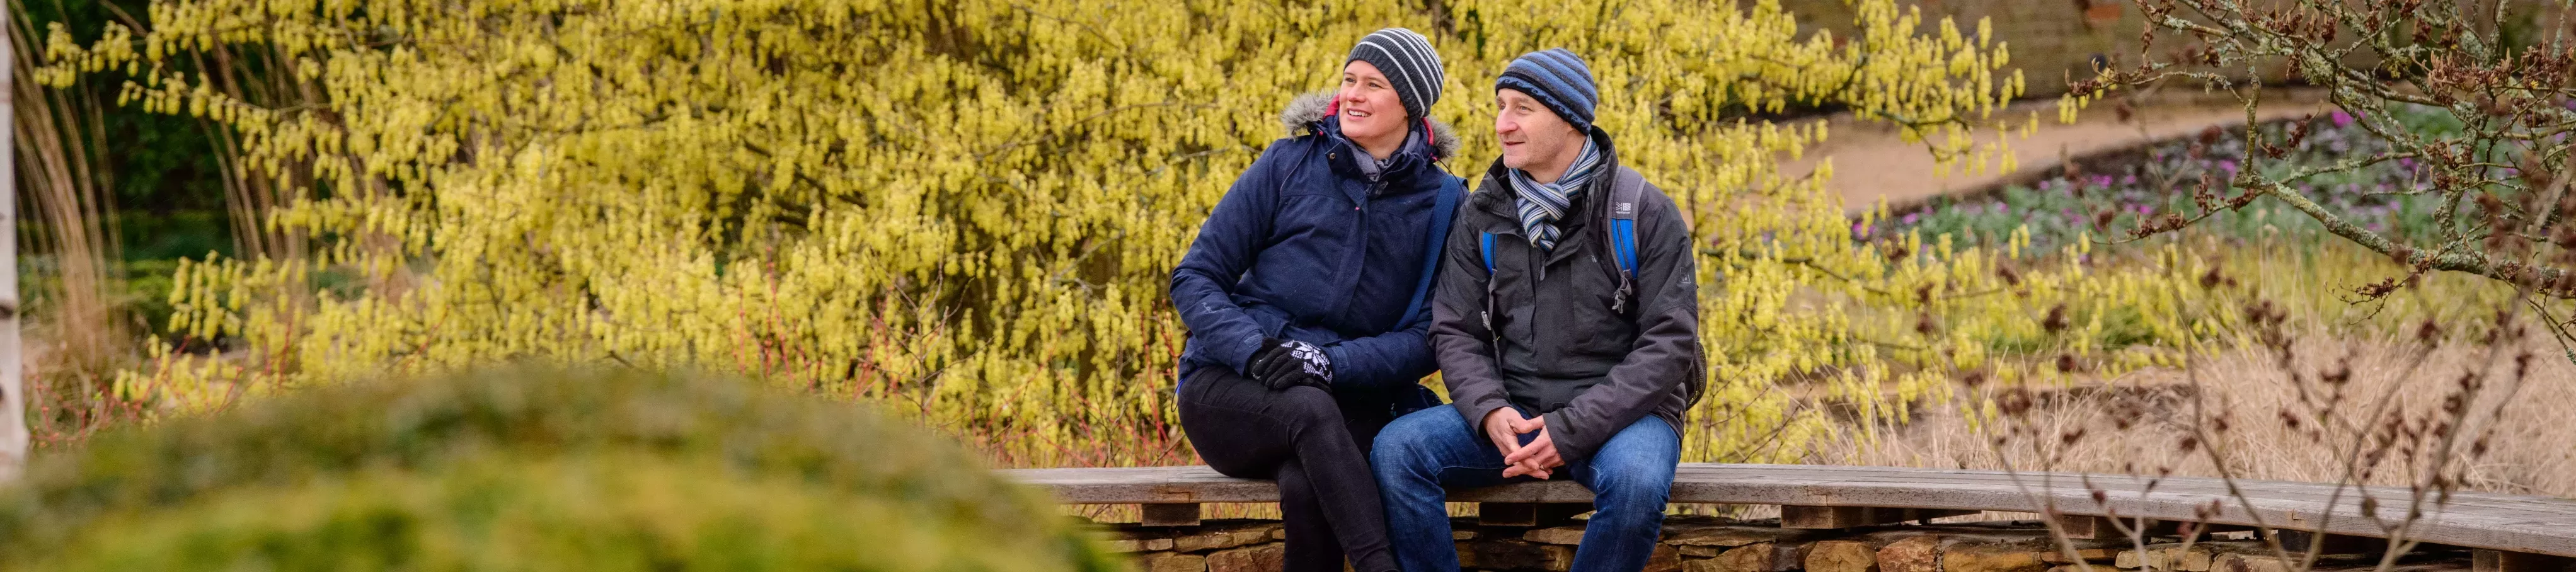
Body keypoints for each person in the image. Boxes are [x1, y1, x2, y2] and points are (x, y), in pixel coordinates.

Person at [1371, 48, 1706, 572]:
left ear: (1570, 119)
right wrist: (1488, 411)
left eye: (1522, 108)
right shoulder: (1483, 212)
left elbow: (1669, 345)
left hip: (1628, 418)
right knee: (1397, 452)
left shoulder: (1641, 211)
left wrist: (1569, 431)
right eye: (1500, 106)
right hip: (1518, 410)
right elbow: (1455, 328)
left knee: (1636, 486)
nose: (1503, 124)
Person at [1168, 27, 1464, 572]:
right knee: (1307, 409)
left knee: (1309, 486)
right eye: (1349, 79)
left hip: (1348, 401)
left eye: (1373, 84)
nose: (1352, 93)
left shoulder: (1444, 201)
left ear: (1411, 104)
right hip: (1229, 391)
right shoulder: (1286, 165)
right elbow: (1195, 277)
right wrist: (1254, 350)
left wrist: (1330, 362)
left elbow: (1429, 337)